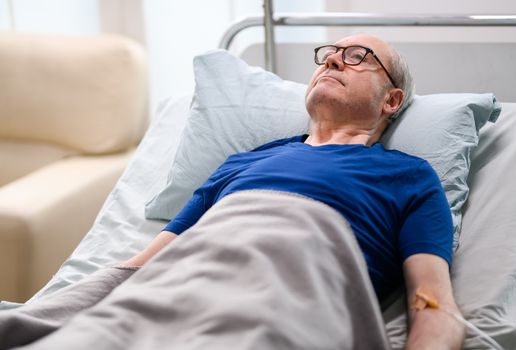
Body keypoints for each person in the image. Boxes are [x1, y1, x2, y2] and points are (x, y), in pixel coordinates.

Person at [120, 34, 465, 349]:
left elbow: (433, 304)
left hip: (284, 310)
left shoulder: (409, 177)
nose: (331, 61)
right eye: (329, 54)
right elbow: (139, 268)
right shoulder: (241, 163)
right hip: (175, 300)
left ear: (391, 100)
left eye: (358, 56)